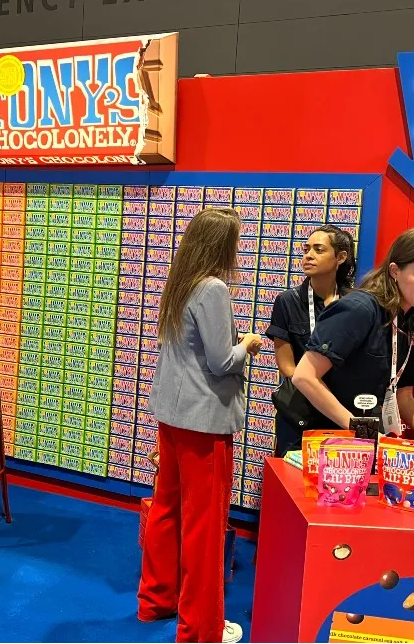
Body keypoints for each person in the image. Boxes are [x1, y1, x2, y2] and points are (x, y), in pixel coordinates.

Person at [137, 208, 263, 644]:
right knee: (205, 527)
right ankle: (201, 630)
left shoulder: (180, 281)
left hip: (172, 417)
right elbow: (220, 361)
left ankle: (155, 600)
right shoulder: (213, 288)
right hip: (204, 422)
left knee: (166, 508)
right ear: (222, 246)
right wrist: (246, 343)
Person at [292, 228, 414, 444]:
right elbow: (304, 377)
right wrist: (363, 430)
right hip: (323, 439)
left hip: (367, 439)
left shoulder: (413, 318)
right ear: (395, 271)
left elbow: (404, 398)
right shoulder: (359, 309)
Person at [266, 225, 356, 455]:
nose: (308, 255)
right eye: (306, 249)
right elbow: (286, 366)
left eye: (318, 249)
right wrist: (314, 385)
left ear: (341, 257)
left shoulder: (356, 303)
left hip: (341, 410)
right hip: (300, 413)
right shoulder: (287, 301)